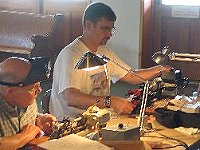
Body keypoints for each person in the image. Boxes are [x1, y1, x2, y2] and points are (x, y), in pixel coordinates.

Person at [50, 2, 171, 120]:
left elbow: (131, 75)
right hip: (72, 122)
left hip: (99, 118)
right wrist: (110, 101)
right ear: (88, 25)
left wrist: (160, 69)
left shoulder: (103, 51)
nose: (109, 34)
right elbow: (71, 98)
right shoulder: (70, 55)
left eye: (111, 29)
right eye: (105, 29)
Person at [0, 57, 56, 150]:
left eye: (39, 85)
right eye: (33, 88)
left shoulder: (25, 99)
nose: (39, 90)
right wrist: (25, 136)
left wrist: (39, 119)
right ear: (11, 91)